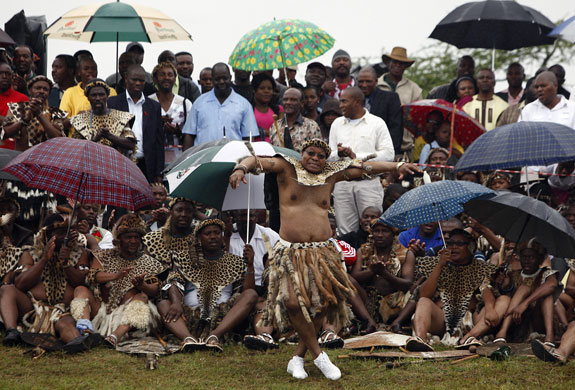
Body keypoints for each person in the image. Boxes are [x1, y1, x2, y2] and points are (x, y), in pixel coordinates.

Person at [229, 138, 420, 380]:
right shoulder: (286, 167)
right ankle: (319, 356)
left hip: (322, 250)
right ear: (302, 153)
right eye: (311, 153)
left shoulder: (331, 174)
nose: (316, 158)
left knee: (322, 302)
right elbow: (256, 160)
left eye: (321, 155)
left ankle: (298, 357)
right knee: (290, 302)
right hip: (291, 251)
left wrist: (395, 167)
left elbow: (365, 168)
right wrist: (240, 168)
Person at [157, 218, 258, 352]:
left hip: (222, 316)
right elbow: (174, 282)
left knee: (251, 294)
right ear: (199, 238)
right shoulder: (185, 258)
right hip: (190, 316)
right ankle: (188, 339)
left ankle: (215, 336)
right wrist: (176, 302)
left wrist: (250, 265)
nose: (213, 237)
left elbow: (246, 291)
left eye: (216, 233)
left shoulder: (235, 262)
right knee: (163, 303)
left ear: (221, 236)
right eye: (208, 233)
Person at [70, 214, 168, 347]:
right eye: (128, 237)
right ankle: (86, 330)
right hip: (101, 308)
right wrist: (115, 276)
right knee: (80, 290)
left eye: (136, 237)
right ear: (119, 239)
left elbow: (155, 290)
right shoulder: (105, 255)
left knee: (142, 297)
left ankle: (114, 337)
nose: (133, 241)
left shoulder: (149, 262)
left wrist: (142, 285)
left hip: (126, 314)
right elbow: (92, 276)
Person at [0, 214, 94, 352]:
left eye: (65, 233)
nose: (63, 237)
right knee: (7, 290)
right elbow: (20, 284)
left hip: (63, 311)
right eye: (58, 234)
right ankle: (12, 331)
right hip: (32, 308)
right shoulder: (30, 252)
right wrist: (44, 259)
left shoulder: (80, 253)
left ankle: (76, 342)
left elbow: (82, 283)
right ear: (46, 235)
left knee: (66, 325)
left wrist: (66, 264)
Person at [406, 229, 497, 351]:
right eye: (450, 243)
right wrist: (439, 265)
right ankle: (420, 341)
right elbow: (424, 294)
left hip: (468, 322)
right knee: (423, 301)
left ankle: (468, 338)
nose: (453, 247)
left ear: (470, 247)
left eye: (459, 244)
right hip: (443, 320)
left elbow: (486, 292)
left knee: (497, 304)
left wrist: (490, 309)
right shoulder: (439, 264)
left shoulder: (477, 267)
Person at [329, 87, 395, 235]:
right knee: (345, 232)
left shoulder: (377, 123)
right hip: (342, 184)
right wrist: (339, 154)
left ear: (357, 102)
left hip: (368, 183)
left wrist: (356, 156)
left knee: (373, 229)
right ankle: (349, 258)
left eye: (344, 101)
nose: (340, 105)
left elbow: (389, 154)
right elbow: (329, 155)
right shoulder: (337, 124)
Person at [228, 209, 281, 351]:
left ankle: (264, 336)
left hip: (264, 286)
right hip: (236, 288)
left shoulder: (269, 235)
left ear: (256, 217)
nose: (247, 219)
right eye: (242, 215)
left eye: (250, 215)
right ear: (235, 217)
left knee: (265, 305)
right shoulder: (226, 235)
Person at [494, 239, 557, 345]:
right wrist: (504, 285)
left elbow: (552, 285)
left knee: (547, 296)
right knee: (523, 289)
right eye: (524, 257)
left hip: (536, 319)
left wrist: (525, 303)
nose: (527, 261)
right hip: (514, 319)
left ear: (540, 259)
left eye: (531, 257)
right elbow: (502, 295)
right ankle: (503, 332)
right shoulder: (512, 274)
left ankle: (550, 336)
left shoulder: (546, 273)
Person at [108, 64, 165, 182]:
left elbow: (159, 142)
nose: (138, 83)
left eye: (141, 80)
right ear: (126, 78)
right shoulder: (112, 103)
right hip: (119, 163)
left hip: (146, 165)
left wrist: (159, 173)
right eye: (134, 80)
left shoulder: (154, 106)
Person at [351, 220, 413, 326]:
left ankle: (397, 322)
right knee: (346, 278)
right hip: (368, 301)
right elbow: (354, 277)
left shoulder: (406, 253)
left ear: (393, 234)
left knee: (419, 288)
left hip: (396, 303)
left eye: (385, 231)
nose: (380, 235)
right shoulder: (363, 251)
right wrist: (372, 271)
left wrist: (385, 274)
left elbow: (407, 283)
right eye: (376, 231)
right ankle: (369, 321)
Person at [182, 63, 257, 149]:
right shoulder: (199, 103)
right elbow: (189, 134)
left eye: (225, 78)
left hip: (234, 158)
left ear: (230, 78)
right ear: (212, 80)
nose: (221, 82)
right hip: (204, 158)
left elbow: (248, 137)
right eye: (217, 79)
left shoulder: (244, 105)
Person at [69, 79, 136, 159]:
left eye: (101, 95)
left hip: (115, 164)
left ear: (107, 96)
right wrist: (95, 139)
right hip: (90, 164)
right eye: (94, 95)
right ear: (88, 97)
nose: (98, 98)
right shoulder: (80, 120)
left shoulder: (121, 117)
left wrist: (109, 135)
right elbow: (76, 149)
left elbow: (131, 144)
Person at [377, 47, 423, 156]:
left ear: (405, 66)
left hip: (404, 144)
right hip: (377, 141)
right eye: (395, 62)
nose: (398, 65)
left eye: (401, 63)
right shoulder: (376, 85)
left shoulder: (414, 89)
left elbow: (419, 116)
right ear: (388, 63)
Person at [2, 75, 66, 151]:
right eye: (38, 88)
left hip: (44, 158)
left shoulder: (55, 113)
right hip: (20, 158)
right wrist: (24, 121)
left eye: (45, 89)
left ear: (49, 93)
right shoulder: (17, 108)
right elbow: (4, 134)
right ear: (29, 90)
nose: (42, 91)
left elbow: (59, 139)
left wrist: (40, 115)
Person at [357, 66, 403, 154]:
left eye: (368, 81)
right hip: (358, 152)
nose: (364, 85)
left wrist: (392, 153)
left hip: (382, 151)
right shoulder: (352, 99)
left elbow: (396, 128)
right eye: (361, 81)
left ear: (376, 81)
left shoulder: (390, 98)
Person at [143, 197, 196, 269]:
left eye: (188, 211)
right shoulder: (153, 239)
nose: (184, 214)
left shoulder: (200, 238)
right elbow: (147, 270)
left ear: (193, 214)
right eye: (179, 210)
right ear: (171, 212)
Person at [269, 88, 321, 152]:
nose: (288, 102)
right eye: (285, 99)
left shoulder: (312, 126)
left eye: (293, 100)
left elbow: (317, 153)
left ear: (302, 103)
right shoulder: (275, 126)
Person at [251, 72, 282, 141]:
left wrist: (262, 132)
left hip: (275, 149)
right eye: (262, 88)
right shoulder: (248, 109)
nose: (266, 91)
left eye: (269, 88)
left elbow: (281, 132)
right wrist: (270, 132)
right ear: (254, 90)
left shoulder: (278, 110)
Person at [0, 62, 28, 129]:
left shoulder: (22, 98)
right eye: (0, 73)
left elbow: (21, 123)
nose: (4, 76)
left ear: (12, 76)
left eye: (8, 74)